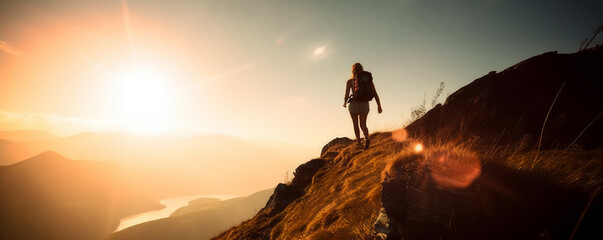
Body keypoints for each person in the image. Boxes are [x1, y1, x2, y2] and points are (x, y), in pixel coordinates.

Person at [343, 62, 382, 149]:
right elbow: (375, 93)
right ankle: (367, 138)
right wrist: (379, 105)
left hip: (354, 104)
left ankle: (359, 142)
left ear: (352, 71)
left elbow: (346, 94)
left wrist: (345, 103)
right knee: (363, 124)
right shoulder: (367, 80)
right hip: (364, 104)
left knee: (355, 124)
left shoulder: (350, 81)